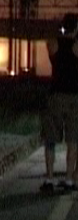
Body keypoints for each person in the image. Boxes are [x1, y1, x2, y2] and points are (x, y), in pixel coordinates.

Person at [43, 12, 78, 192]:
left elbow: (50, 42)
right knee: (73, 140)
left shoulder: (53, 45)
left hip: (55, 95)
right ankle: (69, 179)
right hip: (74, 97)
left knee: (50, 139)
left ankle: (49, 178)